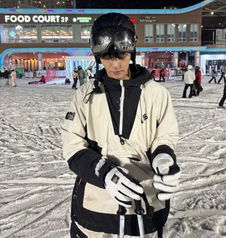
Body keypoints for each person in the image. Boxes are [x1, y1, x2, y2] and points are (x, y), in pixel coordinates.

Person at [61, 12, 180, 238]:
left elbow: (165, 135)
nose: (115, 64)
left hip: (145, 199)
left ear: (132, 51)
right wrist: (104, 173)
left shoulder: (157, 94)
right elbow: (72, 144)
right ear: (98, 57)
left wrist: (163, 156)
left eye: (122, 55)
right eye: (107, 57)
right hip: (96, 204)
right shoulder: (85, 95)